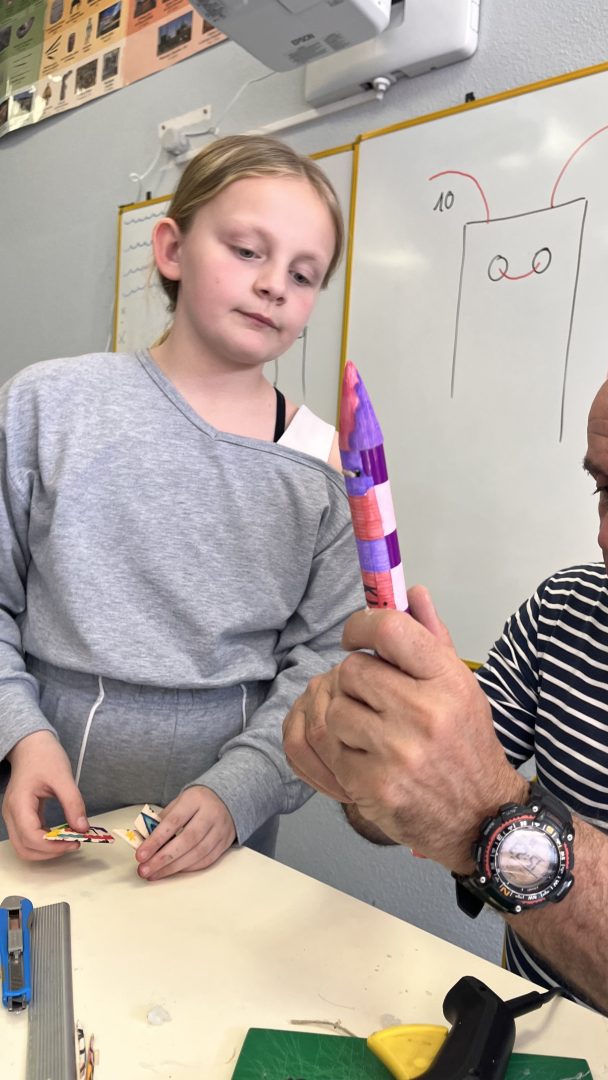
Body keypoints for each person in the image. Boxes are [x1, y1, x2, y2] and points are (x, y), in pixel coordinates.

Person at [283, 323, 608, 1080]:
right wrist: (368, 767)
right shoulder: (565, 612)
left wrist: (491, 822)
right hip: (532, 1042)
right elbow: (418, 807)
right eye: (606, 488)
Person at [0, 134, 364, 881]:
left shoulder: (321, 461)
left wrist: (244, 788)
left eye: (303, 274)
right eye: (248, 251)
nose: (274, 285)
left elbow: (329, 657)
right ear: (171, 249)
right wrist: (21, 735)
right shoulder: (48, 404)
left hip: (219, 831)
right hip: (41, 791)